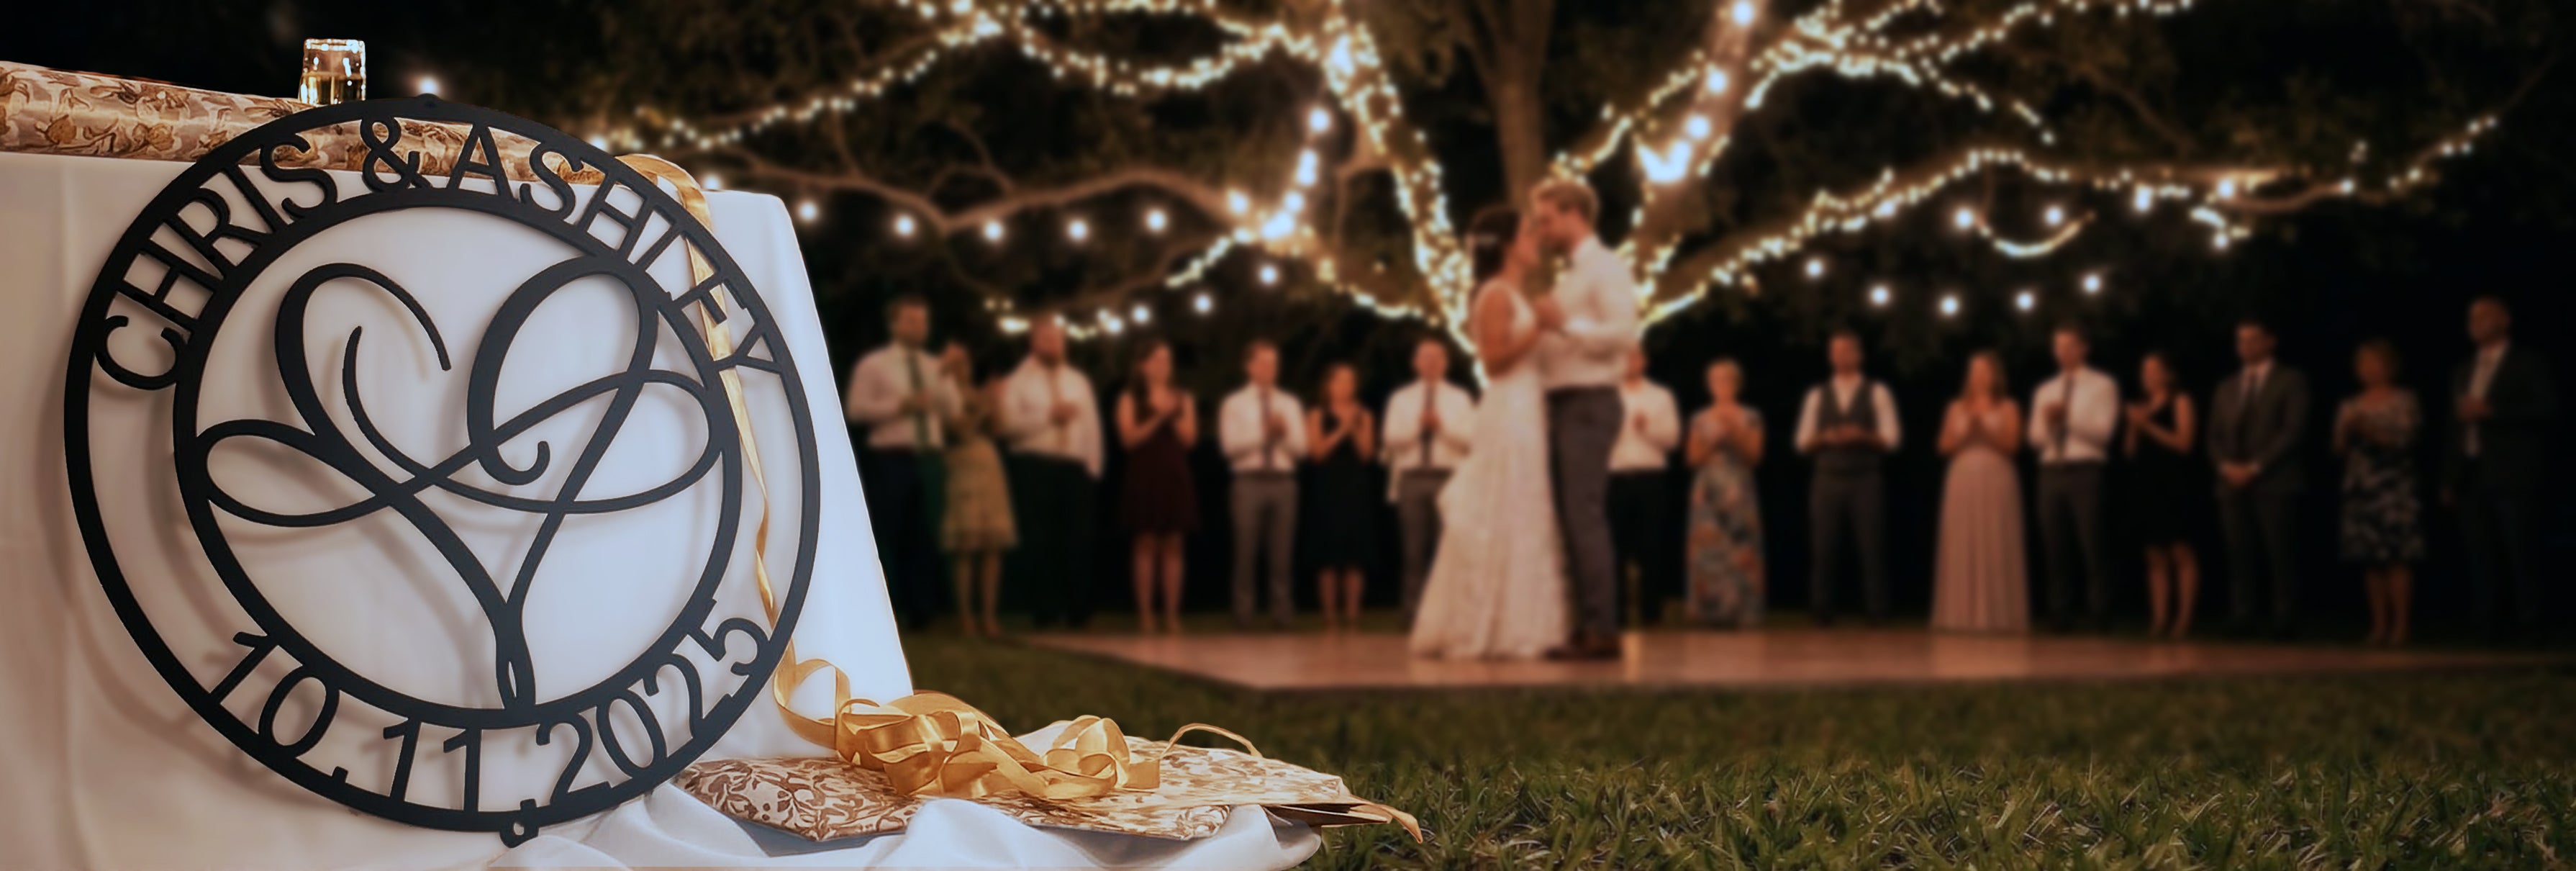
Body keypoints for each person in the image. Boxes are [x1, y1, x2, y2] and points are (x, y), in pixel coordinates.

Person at [1410, 206, 1569, 659]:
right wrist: (1538, 328)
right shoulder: (1494, 295)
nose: (1535, 240)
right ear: (1506, 246)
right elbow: (1493, 362)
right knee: (1505, 504)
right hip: (1508, 410)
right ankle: (1492, 624)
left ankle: (1525, 622)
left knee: (1527, 507)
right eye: (1527, 233)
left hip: (1529, 409)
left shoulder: (1517, 293)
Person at [1524, 179, 1643, 659]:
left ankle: (1603, 629)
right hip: (1563, 403)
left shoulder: (1606, 267)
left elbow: (1623, 332)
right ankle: (1584, 623)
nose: (1541, 229)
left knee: (1584, 514)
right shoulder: (1571, 275)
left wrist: (1563, 326)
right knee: (1571, 518)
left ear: (1574, 213)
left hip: (1590, 402)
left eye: (1547, 218)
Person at [843, 294, 958, 630]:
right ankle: (885, 611)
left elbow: (951, 410)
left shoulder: (934, 366)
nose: (918, 328)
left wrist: (949, 378)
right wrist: (902, 406)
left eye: (922, 321)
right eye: (911, 321)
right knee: (890, 534)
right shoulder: (875, 365)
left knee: (925, 534)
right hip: (892, 458)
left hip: (929, 458)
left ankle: (922, 612)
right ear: (895, 324)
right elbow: (857, 410)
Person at [2444, 296, 2557, 634]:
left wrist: (2493, 413)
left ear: (2505, 320)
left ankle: (2529, 622)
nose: (2475, 323)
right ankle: (2485, 622)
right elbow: (2454, 428)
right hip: (2472, 472)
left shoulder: (2527, 364)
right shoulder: (2464, 370)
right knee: (2480, 554)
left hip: (2513, 472)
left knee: (2520, 550)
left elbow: (2546, 410)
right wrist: (2449, 478)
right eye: (2471, 317)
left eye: (2484, 316)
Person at [995, 317, 1104, 630]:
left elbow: (1092, 426)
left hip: (1074, 467)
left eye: (1057, 339)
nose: (1053, 344)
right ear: (1034, 343)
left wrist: (1093, 467)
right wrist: (1048, 417)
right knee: (1041, 540)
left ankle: (1078, 609)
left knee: (1077, 539)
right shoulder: (1019, 381)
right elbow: (1009, 427)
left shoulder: (1077, 381)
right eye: (1046, 339)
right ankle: (1045, 609)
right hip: (1036, 465)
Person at [2207, 320, 2308, 636]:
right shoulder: (2227, 387)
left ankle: (2284, 618)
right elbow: (2213, 435)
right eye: (2241, 340)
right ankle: (2243, 617)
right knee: (2239, 552)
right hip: (2231, 483)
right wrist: (2226, 467)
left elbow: (2292, 431)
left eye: (2253, 340)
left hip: (2274, 481)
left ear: (2269, 341)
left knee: (2279, 553)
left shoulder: (2290, 381)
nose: (2246, 346)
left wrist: (2255, 467)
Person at [1795, 330, 1901, 626]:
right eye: (1835, 351)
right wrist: (1825, 437)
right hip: (1827, 477)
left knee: (1871, 546)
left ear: (1858, 355)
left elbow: (1892, 438)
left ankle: (1877, 611)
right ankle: (1821, 611)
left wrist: (1863, 435)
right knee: (1824, 546)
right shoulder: (1817, 395)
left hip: (1865, 478)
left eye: (1846, 351)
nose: (1840, 356)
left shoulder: (1877, 392)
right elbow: (1802, 442)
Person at [2026, 325, 2120, 631]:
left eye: (2069, 346)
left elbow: (2103, 434)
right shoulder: (2045, 390)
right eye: (2058, 346)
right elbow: (2035, 439)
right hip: (2051, 470)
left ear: (2083, 348)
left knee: (2091, 543)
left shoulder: (2102, 385)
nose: (2062, 352)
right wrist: (2050, 423)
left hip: (2085, 469)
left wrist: (2069, 418)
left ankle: (2100, 612)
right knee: (2055, 546)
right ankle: (2060, 613)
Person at [1931, 351, 2028, 633]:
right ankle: (1960, 615)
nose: (1978, 376)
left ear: (1995, 375)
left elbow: (2012, 446)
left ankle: (1998, 615)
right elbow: (1943, 446)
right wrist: (1964, 434)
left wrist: (1985, 430)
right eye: (1974, 370)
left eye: (1984, 370)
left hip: (1996, 476)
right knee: (1963, 540)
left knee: (1994, 537)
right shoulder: (1956, 407)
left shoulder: (2009, 406)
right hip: (1962, 478)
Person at [2336, 340, 2425, 646]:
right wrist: (2345, 433)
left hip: (2394, 488)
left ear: (2389, 366)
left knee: (2397, 558)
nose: (2367, 369)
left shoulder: (2404, 400)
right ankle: (2379, 626)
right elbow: (2338, 450)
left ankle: (2402, 626)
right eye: (2362, 364)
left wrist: (2368, 431)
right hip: (2361, 488)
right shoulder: (2351, 404)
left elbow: (2406, 440)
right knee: (2370, 559)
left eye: (2374, 363)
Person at [1381, 338, 1475, 625]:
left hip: (1449, 477)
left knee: (1448, 550)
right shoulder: (1401, 399)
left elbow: (1471, 440)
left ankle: (1450, 614)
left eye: (1437, 358)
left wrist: (1441, 427)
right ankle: (1412, 613)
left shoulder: (1460, 398)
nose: (1432, 363)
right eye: (1426, 357)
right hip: (1412, 476)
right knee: (1413, 550)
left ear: (1445, 363)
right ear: (1416, 363)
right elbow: (1390, 439)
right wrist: (1417, 427)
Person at [1220, 340, 1307, 630]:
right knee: (1245, 551)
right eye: (1263, 363)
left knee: (1282, 554)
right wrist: (1264, 434)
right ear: (1249, 366)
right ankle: (1243, 614)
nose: (1270, 369)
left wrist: (1281, 435)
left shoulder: (1289, 403)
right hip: (1249, 481)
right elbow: (1230, 447)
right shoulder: (1235, 403)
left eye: (1274, 363)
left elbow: (1301, 449)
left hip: (1283, 481)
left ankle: (1282, 614)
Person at [1115, 340, 1198, 634]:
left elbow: (1189, 440)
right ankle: (1146, 614)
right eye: (1158, 359)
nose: (1164, 365)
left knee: (1174, 544)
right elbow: (1128, 439)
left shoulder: (1183, 397)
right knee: (1146, 543)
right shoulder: (1129, 397)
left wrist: (1173, 416)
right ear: (1143, 365)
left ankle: (1172, 615)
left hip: (1175, 473)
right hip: (1144, 472)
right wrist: (1158, 416)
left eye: (1168, 360)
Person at [938, 342, 1016, 638]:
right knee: (966, 546)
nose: (961, 369)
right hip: (963, 466)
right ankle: (966, 617)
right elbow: (959, 429)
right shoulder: (946, 395)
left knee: (992, 545)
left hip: (989, 467)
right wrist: (984, 407)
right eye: (954, 363)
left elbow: (1000, 429)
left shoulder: (978, 394)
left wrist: (994, 405)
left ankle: (989, 615)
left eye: (965, 362)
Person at [2125, 351, 2201, 639]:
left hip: (2174, 482)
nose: (2148, 375)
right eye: (2144, 370)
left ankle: (2184, 620)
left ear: (2168, 374)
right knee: (2154, 554)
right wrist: (2133, 425)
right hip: (2146, 484)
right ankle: (2159, 620)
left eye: (2154, 369)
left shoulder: (2180, 400)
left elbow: (2184, 442)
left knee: (2180, 550)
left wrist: (2148, 426)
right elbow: (2129, 451)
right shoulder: (2142, 405)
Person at [1684, 358, 1766, 628]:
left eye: (1727, 380)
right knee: (1709, 551)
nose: (1722, 385)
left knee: (1740, 549)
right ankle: (1708, 613)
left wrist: (1735, 434)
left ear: (1736, 384)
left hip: (1738, 489)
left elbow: (1754, 456)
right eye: (1716, 380)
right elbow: (1693, 458)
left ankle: (1743, 613)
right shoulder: (1700, 418)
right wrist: (1715, 439)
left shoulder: (1751, 416)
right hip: (1708, 491)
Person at [1609, 348, 1682, 626]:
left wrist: (1647, 428)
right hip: (1615, 477)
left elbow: (1673, 439)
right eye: (1625, 356)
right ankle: (1617, 613)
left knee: (1650, 547)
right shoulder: (1609, 395)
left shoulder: (1661, 396)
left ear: (1645, 361)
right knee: (1615, 548)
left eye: (1636, 356)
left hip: (1650, 477)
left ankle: (1651, 612)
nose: (1630, 361)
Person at [1306, 364, 1377, 633]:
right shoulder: (1316, 414)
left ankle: (1353, 615)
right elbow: (1317, 453)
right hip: (1327, 485)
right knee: (1328, 555)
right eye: (1340, 381)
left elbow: (1367, 454)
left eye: (1351, 381)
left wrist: (1355, 428)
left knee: (1354, 555)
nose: (1346, 387)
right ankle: (1330, 616)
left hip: (1355, 486)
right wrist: (1341, 430)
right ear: (1329, 385)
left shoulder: (1365, 415)